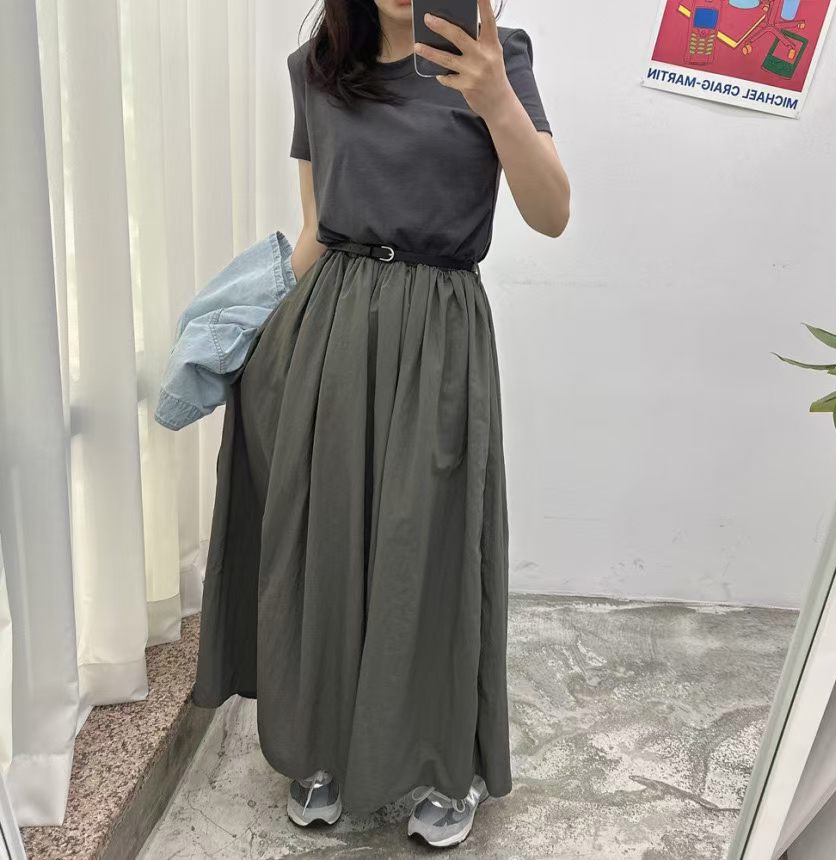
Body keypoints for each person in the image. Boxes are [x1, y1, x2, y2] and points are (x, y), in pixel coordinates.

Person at [191, 0, 569, 849]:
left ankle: (443, 761)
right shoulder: (318, 68)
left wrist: (495, 99)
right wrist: (243, 333)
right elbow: (317, 231)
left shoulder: (497, 56)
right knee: (324, 542)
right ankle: (319, 744)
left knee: (431, 546)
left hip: (440, 332)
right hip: (330, 329)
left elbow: (552, 213)